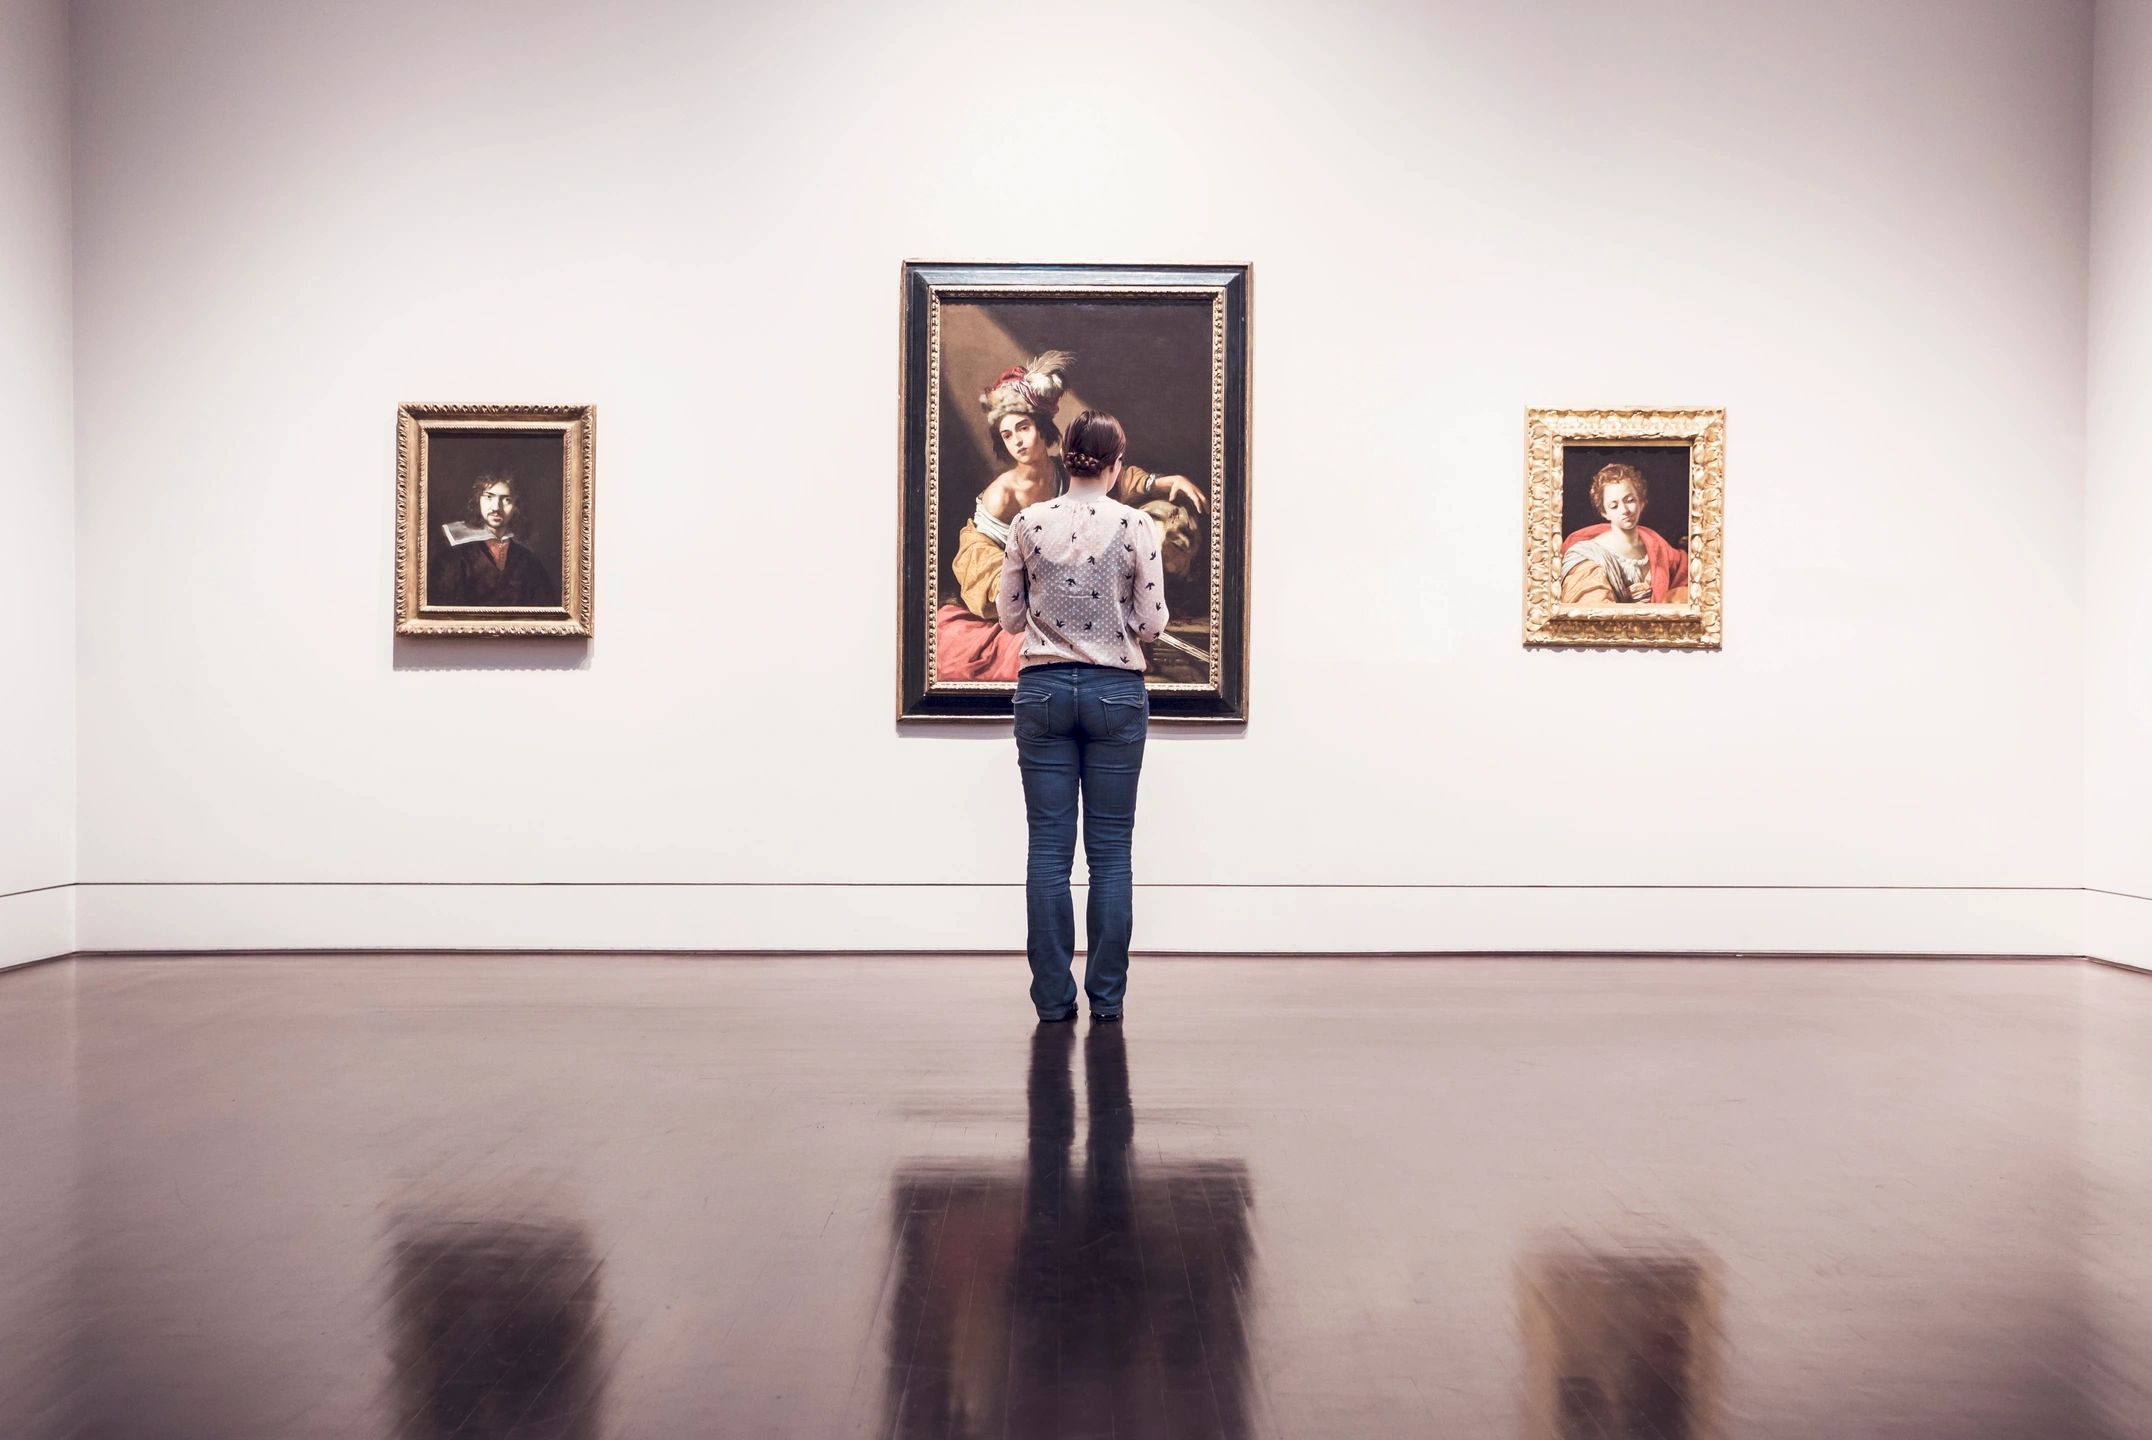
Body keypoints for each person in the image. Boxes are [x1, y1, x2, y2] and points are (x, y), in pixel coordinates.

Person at [997, 410, 1168, 1022]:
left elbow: (1009, 617)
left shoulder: (1027, 522)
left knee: (1048, 851)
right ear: (1115, 463)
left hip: (1042, 691)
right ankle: (1107, 1000)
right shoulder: (1135, 524)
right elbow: (1152, 623)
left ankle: (1051, 1001)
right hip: (1115, 693)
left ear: (1066, 456)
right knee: (1111, 853)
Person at [935, 352, 1204, 681]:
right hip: (1018, 602)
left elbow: (1113, 481)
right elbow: (979, 560)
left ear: (1041, 427)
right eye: (1007, 434)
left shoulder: (1062, 471)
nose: (1017, 440)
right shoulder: (1001, 495)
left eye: (1023, 427)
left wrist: (1162, 482)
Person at [1559, 462, 1690, 605]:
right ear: (1604, 512)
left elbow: (1685, 573)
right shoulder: (1589, 556)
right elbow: (1591, 609)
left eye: (1630, 500)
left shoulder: (1656, 545)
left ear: (1641, 503)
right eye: (1614, 506)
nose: (1625, 510)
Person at [430, 472, 557, 607]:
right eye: (489, 497)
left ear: (516, 506)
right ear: (478, 500)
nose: (496, 507)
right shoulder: (456, 553)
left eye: (506, 499)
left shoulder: (528, 560)